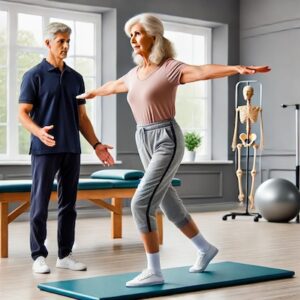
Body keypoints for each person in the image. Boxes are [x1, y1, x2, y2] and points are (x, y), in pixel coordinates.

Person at [77, 13, 270, 287]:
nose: (132, 38)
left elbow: (203, 70)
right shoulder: (134, 74)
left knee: (140, 203)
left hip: (166, 137)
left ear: (154, 36)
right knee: (168, 202)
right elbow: (114, 86)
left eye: (138, 33)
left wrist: (237, 69)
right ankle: (205, 248)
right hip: (143, 138)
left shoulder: (170, 68)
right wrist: (92, 93)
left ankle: (154, 270)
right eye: (130, 34)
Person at [19, 22, 114, 274]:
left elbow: (81, 118)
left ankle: (65, 254)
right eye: (60, 41)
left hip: (71, 148)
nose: (65, 46)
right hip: (44, 149)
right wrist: (37, 131)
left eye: (68, 41)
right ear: (48, 43)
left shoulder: (76, 78)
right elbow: (22, 113)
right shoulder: (33, 75)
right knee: (39, 204)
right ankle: (38, 255)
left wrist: (96, 144)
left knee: (68, 205)